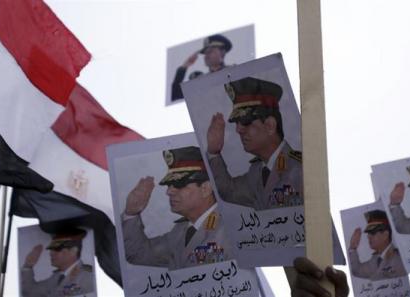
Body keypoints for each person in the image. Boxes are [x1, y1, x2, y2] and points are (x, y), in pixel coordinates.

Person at [122, 146, 233, 269]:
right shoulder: (180, 231)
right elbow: (138, 254)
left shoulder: (231, 227)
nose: (169, 192)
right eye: (169, 185)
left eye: (179, 184)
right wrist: (131, 213)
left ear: (205, 189)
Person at [206, 76, 303, 210]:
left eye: (246, 122)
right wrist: (213, 152)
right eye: (237, 123)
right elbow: (229, 191)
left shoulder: (300, 167)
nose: (238, 130)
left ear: (270, 125)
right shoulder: (257, 171)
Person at [21, 228, 94, 297]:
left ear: (73, 251)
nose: (51, 253)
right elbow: (30, 293)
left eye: (57, 249)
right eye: (51, 249)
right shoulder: (56, 277)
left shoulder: (88, 276)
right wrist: (28, 265)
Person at [348, 210, 407, 280]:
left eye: (372, 233)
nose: (368, 236)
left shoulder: (399, 259)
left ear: (385, 235)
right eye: (368, 233)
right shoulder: (376, 259)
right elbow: (357, 271)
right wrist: (353, 248)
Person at [171, 34, 232, 100]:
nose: (206, 55)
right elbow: (176, 95)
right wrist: (185, 66)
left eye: (210, 51)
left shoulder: (233, 71)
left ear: (222, 52)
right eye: (205, 53)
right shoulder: (201, 80)